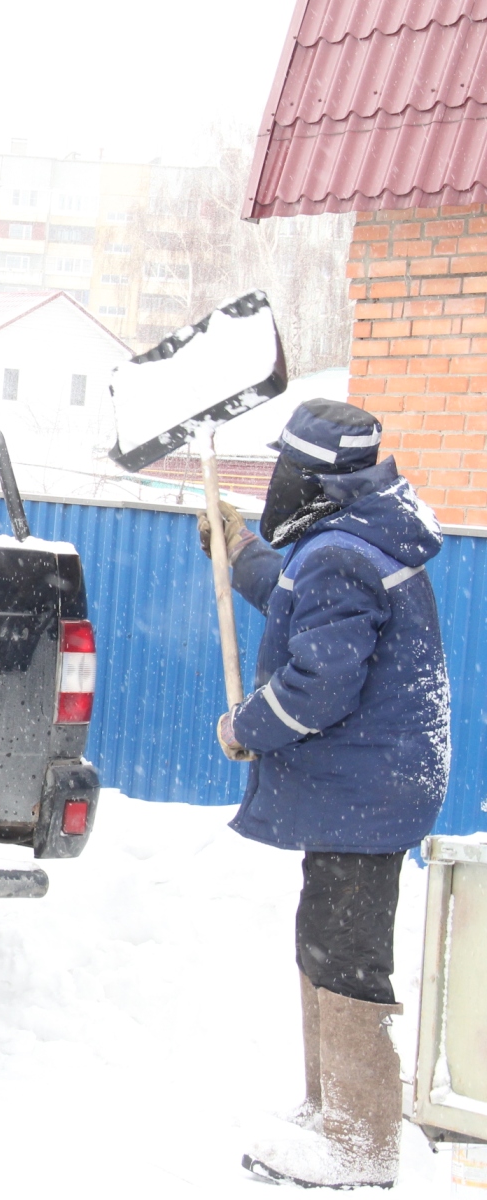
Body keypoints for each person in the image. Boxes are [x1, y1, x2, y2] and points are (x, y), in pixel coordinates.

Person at [200, 399, 450, 1189]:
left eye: (285, 466)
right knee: (325, 938)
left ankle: (362, 1143)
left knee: (346, 956)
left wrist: (248, 726)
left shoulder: (344, 552)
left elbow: (316, 688)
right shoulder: (357, 534)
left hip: (366, 790)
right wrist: (239, 551)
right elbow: (295, 595)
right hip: (372, 784)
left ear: (311, 476)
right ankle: (332, 1112)